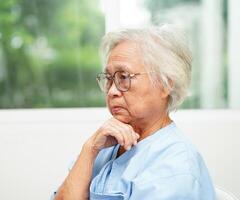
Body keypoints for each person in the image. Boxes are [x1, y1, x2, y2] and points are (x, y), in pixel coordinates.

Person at [53, 25, 216, 200]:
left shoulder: (175, 168)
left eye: (123, 77)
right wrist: (89, 148)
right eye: (109, 78)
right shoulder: (104, 147)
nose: (111, 91)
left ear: (165, 84)